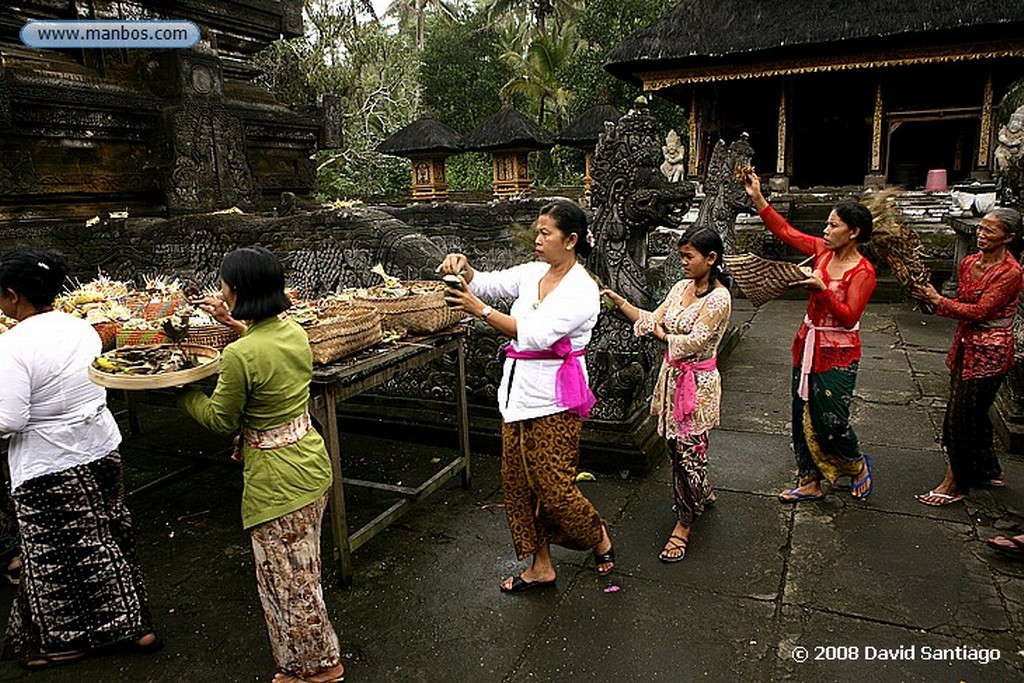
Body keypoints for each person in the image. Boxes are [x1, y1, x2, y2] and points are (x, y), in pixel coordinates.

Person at [178, 247, 344, 683]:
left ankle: (317, 668)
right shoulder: (292, 332)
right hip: (310, 462)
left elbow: (220, 419)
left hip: (277, 483)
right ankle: (309, 661)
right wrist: (234, 326)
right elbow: (264, 349)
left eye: (223, 284)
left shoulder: (239, 356)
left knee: (287, 582)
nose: (220, 290)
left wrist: (181, 388)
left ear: (237, 291)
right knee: (303, 572)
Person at [437, 199, 615, 592]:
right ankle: (541, 565)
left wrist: (477, 310)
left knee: (554, 488)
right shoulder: (534, 272)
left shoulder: (582, 290)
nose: (537, 239)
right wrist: (464, 269)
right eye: (537, 231)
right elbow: (487, 282)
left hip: (555, 400)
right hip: (516, 396)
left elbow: (534, 333)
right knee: (517, 484)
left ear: (570, 240)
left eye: (545, 233)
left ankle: (597, 535)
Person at [0, 248, 158, 669]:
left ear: (14, 296)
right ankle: (134, 625)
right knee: (108, 535)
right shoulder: (82, 329)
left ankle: (67, 641)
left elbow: (10, 419)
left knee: (57, 555)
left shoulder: (12, 345)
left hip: (50, 461)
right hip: (100, 447)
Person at [742, 171, 877, 502]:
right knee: (800, 411)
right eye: (827, 225)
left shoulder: (863, 272)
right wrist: (758, 197)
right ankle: (810, 479)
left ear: (854, 232)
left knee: (832, 418)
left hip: (838, 353)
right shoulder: (822, 252)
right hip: (807, 344)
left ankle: (856, 464)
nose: (825, 231)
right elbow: (785, 231)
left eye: (833, 226)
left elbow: (848, 319)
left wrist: (822, 290)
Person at [601, 227, 732, 562]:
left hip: (697, 384)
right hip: (672, 378)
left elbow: (693, 342)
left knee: (688, 449)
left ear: (711, 258)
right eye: (682, 255)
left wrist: (659, 333)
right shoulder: (679, 288)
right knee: (679, 448)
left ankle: (684, 523)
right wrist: (622, 303)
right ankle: (700, 488)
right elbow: (651, 319)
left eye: (689, 256)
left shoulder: (719, 298)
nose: (683, 262)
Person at [911, 208, 1022, 506]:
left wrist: (938, 300)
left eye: (990, 231)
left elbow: (982, 311)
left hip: (990, 353)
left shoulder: (1009, 272)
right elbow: (960, 303)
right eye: (981, 229)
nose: (981, 235)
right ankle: (988, 470)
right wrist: (929, 301)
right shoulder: (969, 262)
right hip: (964, 346)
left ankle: (955, 483)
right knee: (975, 414)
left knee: (959, 418)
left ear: (1008, 238)